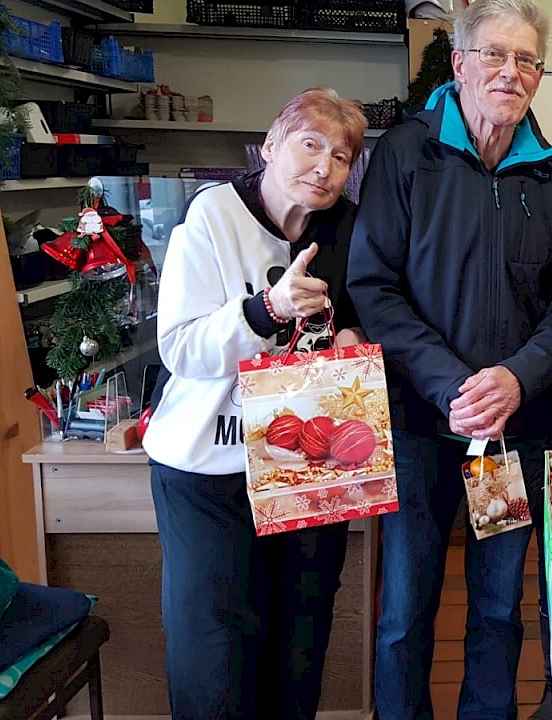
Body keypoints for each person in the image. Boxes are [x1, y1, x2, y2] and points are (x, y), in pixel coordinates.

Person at [346, 0, 552, 717]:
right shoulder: (406, 154)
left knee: (496, 609)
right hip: (421, 430)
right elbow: (375, 285)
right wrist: (452, 383)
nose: (510, 72)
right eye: (494, 54)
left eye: (526, 60)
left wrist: (517, 378)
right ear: (459, 63)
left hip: (506, 444)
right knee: (405, 612)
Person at [142, 87, 368, 720]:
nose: (324, 167)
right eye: (310, 145)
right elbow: (180, 347)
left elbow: (359, 317)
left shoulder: (350, 230)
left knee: (300, 641)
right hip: (208, 472)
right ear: (271, 144)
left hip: (303, 471)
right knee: (214, 649)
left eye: (343, 156)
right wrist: (266, 309)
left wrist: (351, 336)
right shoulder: (211, 217)